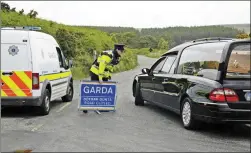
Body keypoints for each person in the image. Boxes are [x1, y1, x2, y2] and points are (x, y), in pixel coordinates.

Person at [83, 44, 125, 113]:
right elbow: (102, 66)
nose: (122, 52)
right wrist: (100, 78)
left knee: (103, 90)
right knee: (94, 89)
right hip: (96, 72)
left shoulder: (117, 56)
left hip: (103, 74)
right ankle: (85, 106)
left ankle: (101, 107)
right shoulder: (108, 55)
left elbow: (110, 67)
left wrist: (108, 76)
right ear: (117, 50)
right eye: (121, 51)